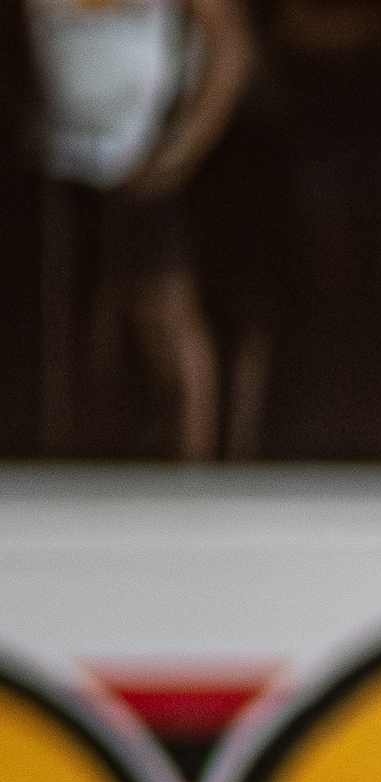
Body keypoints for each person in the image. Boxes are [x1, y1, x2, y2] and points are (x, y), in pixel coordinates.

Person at [26, 0, 253, 460]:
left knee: (163, 309)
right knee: (74, 318)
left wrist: (181, 149)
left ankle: (192, 465)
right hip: (60, 165)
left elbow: (230, 48)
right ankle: (80, 455)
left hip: (141, 159)